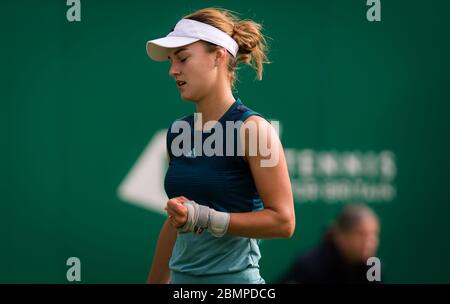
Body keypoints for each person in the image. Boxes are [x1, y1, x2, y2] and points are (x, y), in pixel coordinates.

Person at [144, 8, 295, 284]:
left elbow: (283, 222)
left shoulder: (254, 130)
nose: (172, 70)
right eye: (170, 61)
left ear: (218, 56)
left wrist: (207, 218)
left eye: (183, 58)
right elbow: (177, 221)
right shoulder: (179, 132)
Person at [278, 203, 381, 284]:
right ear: (341, 236)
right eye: (361, 234)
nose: (370, 242)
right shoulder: (310, 266)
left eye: (374, 234)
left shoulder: (374, 266)